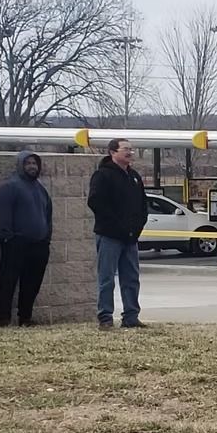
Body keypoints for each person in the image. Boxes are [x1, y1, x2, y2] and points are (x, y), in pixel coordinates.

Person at [88, 138, 150, 330]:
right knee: (106, 278)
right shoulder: (102, 175)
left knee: (131, 278)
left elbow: (142, 205)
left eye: (131, 149)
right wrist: (117, 225)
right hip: (109, 236)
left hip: (130, 238)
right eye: (126, 149)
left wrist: (137, 226)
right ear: (112, 152)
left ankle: (131, 316)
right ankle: (105, 317)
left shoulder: (134, 177)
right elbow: (96, 203)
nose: (130, 152)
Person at [0, 151, 53, 327]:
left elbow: (48, 215)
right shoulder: (10, 187)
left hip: (39, 245)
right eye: (27, 163)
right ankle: (4, 319)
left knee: (32, 284)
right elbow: (3, 214)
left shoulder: (41, 189)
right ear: (21, 165)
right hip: (15, 245)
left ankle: (25, 318)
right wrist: (9, 237)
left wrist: (46, 238)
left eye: (34, 163)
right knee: (8, 283)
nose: (32, 166)